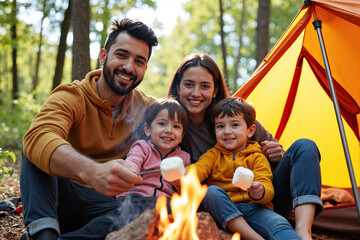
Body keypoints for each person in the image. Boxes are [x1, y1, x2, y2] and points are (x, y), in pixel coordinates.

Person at [20, 18, 159, 240]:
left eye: (139, 61)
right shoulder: (71, 96)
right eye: (121, 55)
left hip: (108, 208)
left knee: (157, 207)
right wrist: (93, 172)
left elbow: (188, 115)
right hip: (61, 198)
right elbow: (39, 136)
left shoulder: (150, 109)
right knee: (35, 150)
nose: (129, 67)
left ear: (145, 68)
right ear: (103, 56)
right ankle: (44, 235)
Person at [168, 52, 322, 240]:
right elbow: (196, 170)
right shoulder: (171, 125)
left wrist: (277, 154)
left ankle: (303, 230)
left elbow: (272, 167)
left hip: (263, 202)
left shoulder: (235, 115)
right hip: (221, 205)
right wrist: (181, 177)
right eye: (189, 84)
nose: (196, 93)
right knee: (213, 192)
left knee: (305, 146)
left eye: (205, 86)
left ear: (215, 90)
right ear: (178, 86)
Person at [188, 97, 300, 239]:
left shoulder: (257, 155)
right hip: (226, 208)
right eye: (220, 126)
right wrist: (182, 174)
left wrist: (260, 191)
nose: (227, 131)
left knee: (279, 224)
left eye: (234, 125)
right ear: (214, 130)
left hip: (257, 209)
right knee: (211, 192)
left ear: (251, 130)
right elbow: (198, 170)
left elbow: (267, 186)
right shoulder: (213, 155)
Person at [116, 98, 191, 200]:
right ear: (148, 129)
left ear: (182, 136)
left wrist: (181, 176)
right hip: (137, 198)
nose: (169, 130)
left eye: (176, 126)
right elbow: (132, 162)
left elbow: (186, 188)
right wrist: (130, 171)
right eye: (162, 124)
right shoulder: (142, 148)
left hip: (165, 204)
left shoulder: (184, 158)